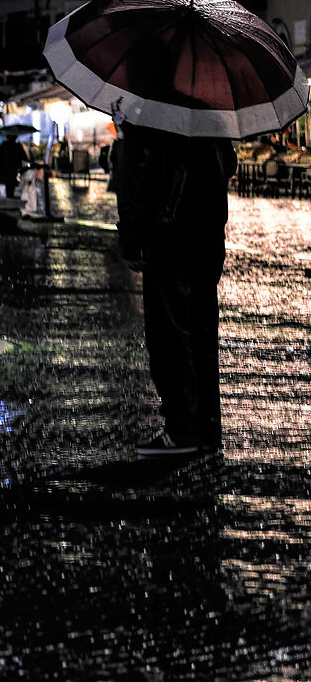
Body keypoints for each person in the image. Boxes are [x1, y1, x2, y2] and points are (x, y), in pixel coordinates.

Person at [113, 122, 238, 458]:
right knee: (201, 337)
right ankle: (207, 429)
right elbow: (229, 165)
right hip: (207, 243)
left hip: (168, 244)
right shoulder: (214, 125)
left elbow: (136, 186)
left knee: (169, 338)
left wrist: (131, 242)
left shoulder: (150, 121)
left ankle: (182, 429)